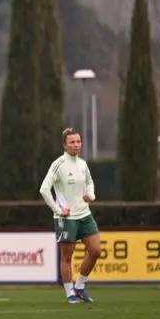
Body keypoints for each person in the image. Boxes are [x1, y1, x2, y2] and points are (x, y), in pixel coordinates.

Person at [40, 126, 100, 304]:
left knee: (96, 250)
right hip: (66, 218)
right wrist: (58, 210)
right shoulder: (58, 164)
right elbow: (44, 189)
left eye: (78, 141)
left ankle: (80, 286)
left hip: (85, 215)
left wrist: (91, 195)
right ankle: (70, 293)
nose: (76, 145)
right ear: (65, 145)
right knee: (67, 256)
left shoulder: (82, 164)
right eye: (72, 142)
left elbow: (89, 182)